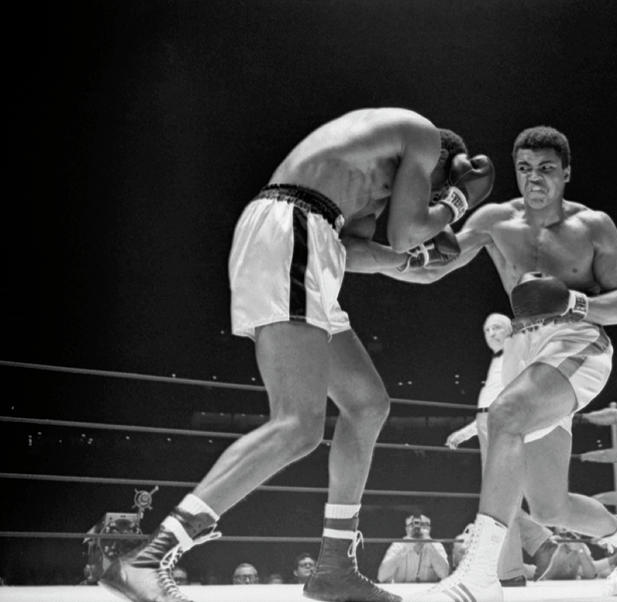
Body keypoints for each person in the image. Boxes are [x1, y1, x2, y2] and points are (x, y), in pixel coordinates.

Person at [99, 108, 495, 602]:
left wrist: (421, 260)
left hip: (314, 243)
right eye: (433, 191)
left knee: (367, 404)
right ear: (444, 162)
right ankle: (150, 556)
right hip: (294, 229)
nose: (424, 200)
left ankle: (334, 568)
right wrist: (457, 202)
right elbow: (406, 231)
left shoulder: (365, 180)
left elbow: (367, 251)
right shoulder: (419, 135)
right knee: (298, 424)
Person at [376, 125, 617, 600]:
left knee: (503, 416)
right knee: (549, 506)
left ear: (566, 172)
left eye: (547, 169)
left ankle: (482, 577)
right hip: (525, 355)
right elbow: (431, 269)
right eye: (525, 170)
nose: (535, 180)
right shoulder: (493, 221)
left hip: (578, 342)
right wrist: (359, 257)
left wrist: (572, 301)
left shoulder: (593, 226)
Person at [445, 313, 575, 585]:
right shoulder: (500, 360)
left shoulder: (517, 358)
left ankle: (513, 568)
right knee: (502, 497)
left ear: (511, 331)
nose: (491, 333)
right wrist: (468, 431)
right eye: (487, 329)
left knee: (500, 498)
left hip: (505, 423)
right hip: (490, 424)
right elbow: (491, 403)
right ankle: (538, 548)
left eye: (498, 328)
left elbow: (512, 397)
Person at [377, 514, 450, 583]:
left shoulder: (436, 545)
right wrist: (406, 547)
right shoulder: (398, 545)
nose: (418, 528)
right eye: (412, 525)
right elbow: (381, 577)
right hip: (401, 591)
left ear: (429, 529)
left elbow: (445, 575)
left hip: (429, 592)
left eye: (423, 525)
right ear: (406, 529)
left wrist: (429, 545)